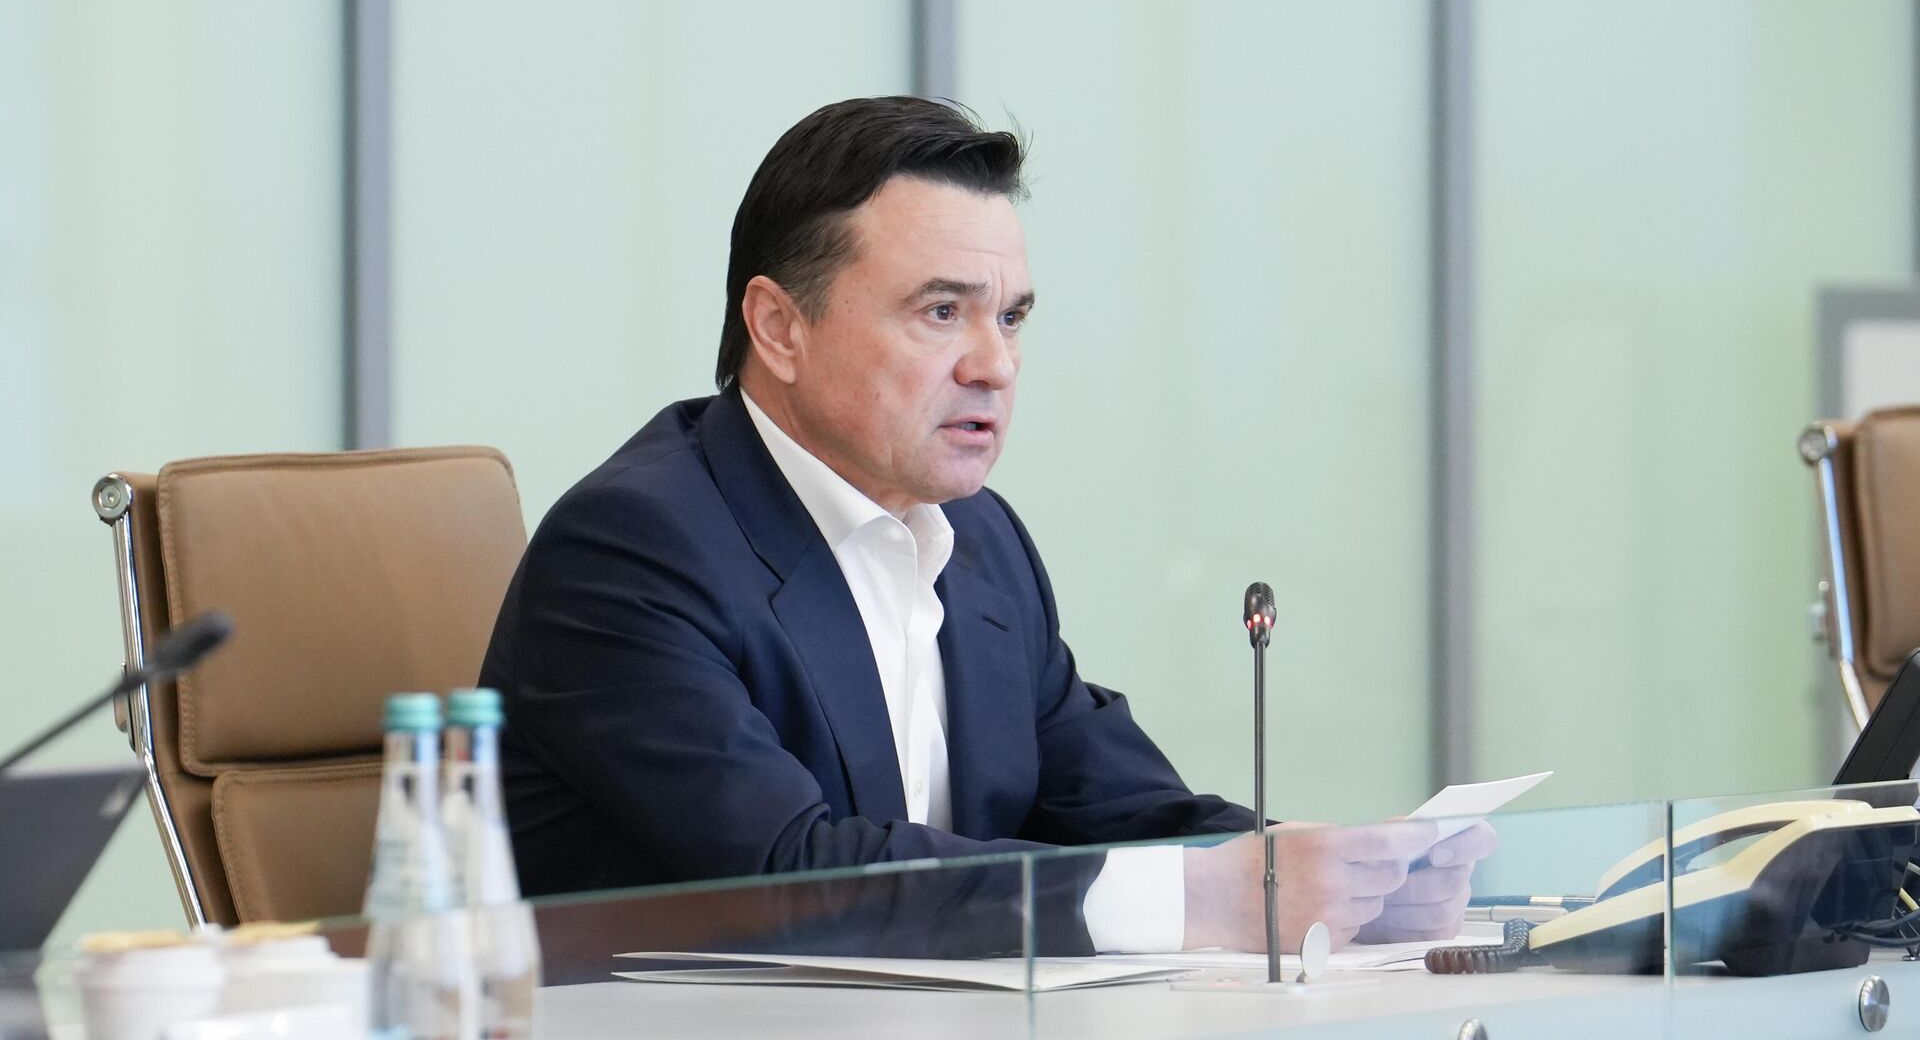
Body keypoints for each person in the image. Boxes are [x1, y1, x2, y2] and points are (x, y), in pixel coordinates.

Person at [478, 96, 1493, 955]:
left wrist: (1337, 879)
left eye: (1011, 317)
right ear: (779, 328)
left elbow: (1122, 811)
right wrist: (1207, 902)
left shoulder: (979, 542)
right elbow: (786, 874)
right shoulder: (632, 550)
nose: (995, 365)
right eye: (941, 313)